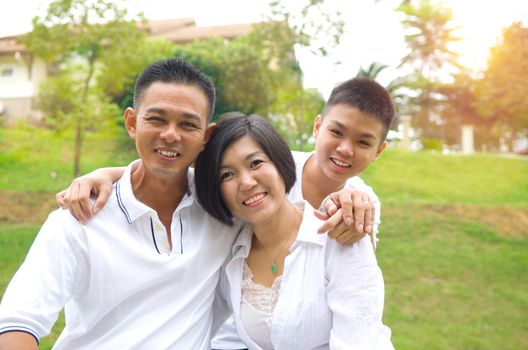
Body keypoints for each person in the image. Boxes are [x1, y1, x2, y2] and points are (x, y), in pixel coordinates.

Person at [55, 77, 394, 349]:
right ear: (318, 127)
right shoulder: (236, 240)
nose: (345, 148)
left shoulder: (352, 215)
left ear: (379, 150)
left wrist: (356, 200)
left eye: (363, 142)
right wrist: (107, 176)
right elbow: (176, 176)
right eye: (337, 132)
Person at [0, 58, 244, 349]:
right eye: (156, 119)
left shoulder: (224, 209)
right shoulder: (78, 218)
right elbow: (18, 323)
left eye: (187, 124)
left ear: (206, 136)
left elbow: (282, 176)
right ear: (132, 122)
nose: (170, 134)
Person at [195, 113, 393, 349]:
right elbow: (226, 338)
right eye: (227, 175)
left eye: (255, 163)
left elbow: (359, 341)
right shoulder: (233, 254)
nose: (246, 182)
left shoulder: (340, 234)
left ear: (280, 163)